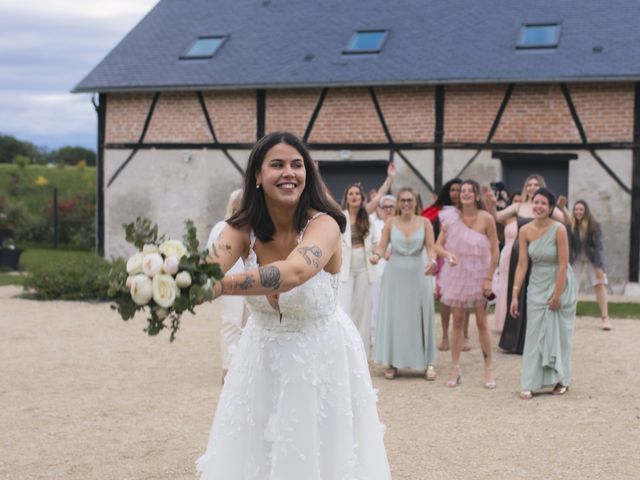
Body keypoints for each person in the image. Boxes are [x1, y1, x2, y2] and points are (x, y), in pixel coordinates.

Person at [197, 132, 391, 479]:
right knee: (258, 450)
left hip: (320, 355)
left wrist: (220, 286)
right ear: (257, 175)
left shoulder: (326, 224)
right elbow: (206, 271)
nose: (289, 172)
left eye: (297, 165)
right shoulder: (240, 229)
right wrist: (168, 281)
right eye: (277, 165)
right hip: (261, 353)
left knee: (318, 453)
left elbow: (295, 271)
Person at [485, 174, 570, 354]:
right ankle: (515, 340)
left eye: (535, 184)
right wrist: (492, 203)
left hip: (541, 257)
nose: (532, 187)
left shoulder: (546, 206)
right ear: (525, 187)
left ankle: (541, 342)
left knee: (537, 300)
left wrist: (562, 207)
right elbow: (497, 216)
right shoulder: (518, 206)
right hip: (520, 255)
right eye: (529, 184)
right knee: (518, 295)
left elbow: (565, 222)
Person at [510, 188, 577, 400]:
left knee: (558, 333)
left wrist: (557, 296)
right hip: (536, 284)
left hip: (560, 282)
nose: (538, 206)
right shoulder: (524, 231)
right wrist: (514, 294)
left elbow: (564, 264)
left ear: (550, 208)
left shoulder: (559, 229)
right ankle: (529, 382)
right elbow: (522, 265)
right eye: (535, 202)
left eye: (543, 204)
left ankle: (561, 379)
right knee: (534, 335)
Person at [436, 180, 499, 389]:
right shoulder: (451, 218)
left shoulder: (486, 218)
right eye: (462, 191)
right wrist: (447, 254)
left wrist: (490, 277)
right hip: (457, 273)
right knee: (458, 320)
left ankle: (488, 368)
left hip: (481, 273)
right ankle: (454, 367)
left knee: (482, 322)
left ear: (476, 195)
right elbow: (437, 245)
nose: (465, 194)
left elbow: (495, 250)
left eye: (469, 191)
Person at [371, 187, 438, 380]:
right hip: (395, 274)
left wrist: (432, 262)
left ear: (416, 202)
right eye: (403, 200)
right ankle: (392, 363)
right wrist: (376, 255)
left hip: (419, 273)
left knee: (420, 315)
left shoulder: (425, 222)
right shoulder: (391, 223)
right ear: (399, 203)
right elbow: (382, 246)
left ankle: (428, 362)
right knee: (396, 316)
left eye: (410, 200)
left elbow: (431, 248)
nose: (406, 204)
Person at [338, 164, 396, 356]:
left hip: (364, 266)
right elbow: (325, 196)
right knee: (343, 308)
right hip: (345, 268)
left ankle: (360, 351)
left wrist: (389, 178)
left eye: (357, 194)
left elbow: (379, 196)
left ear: (362, 198)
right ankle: (343, 349)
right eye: (351, 194)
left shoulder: (368, 218)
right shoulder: (340, 217)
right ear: (346, 198)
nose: (354, 196)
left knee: (363, 311)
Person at [422, 178, 471, 352]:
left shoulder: (470, 211)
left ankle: (465, 335)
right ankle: (444, 335)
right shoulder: (440, 212)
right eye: (453, 190)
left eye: (459, 189)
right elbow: (430, 233)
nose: (456, 193)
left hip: (465, 258)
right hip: (445, 257)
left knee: (463, 299)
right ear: (447, 193)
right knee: (445, 299)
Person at [205, 188, 247, 382]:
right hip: (228, 281)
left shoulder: (257, 227)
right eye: (242, 201)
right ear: (234, 205)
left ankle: (247, 367)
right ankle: (228, 369)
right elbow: (210, 255)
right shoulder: (221, 227)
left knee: (251, 325)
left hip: (252, 281)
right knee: (231, 323)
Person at [569, 200, 612, 330]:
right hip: (576, 259)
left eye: (581, 209)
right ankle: (568, 318)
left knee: (599, 286)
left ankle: (605, 318)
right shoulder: (570, 225)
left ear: (586, 211)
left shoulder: (594, 225)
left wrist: (599, 267)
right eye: (576, 209)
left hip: (593, 259)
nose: (578, 212)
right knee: (570, 287)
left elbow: (598, 247)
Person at [491, 192, 521, 333]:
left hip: (522, 254)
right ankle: (502, 323)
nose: (517, 203)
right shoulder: (506, 219)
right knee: (505, 286)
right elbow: (494, 216)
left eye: (520, 201)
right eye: (515, 200)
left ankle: (518, 321)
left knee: (518, 286)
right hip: (507, 254)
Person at [370, 194, 396, 343]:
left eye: (391, 206)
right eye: (385, 207)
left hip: (397, 267)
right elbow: (372, 243)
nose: (388, 209)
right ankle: (375, 335)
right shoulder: (376, 224)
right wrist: (383, 252)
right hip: (379, 266)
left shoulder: (399, 223)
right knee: (377, 301)